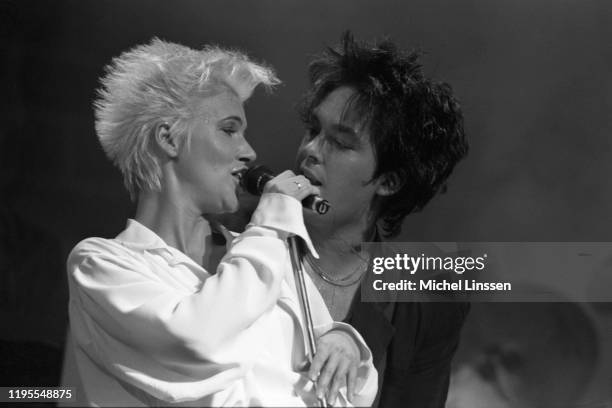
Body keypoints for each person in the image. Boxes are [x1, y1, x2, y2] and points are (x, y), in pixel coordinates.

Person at [63, 38, 377, 407]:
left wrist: (346, 344)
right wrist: (273, 223)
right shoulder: (101, 266)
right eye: (229, 130)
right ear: (169, 138)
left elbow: (355, 390)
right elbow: (198, 343)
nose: (249, 152)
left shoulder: (264, 255)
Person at [294, 33, 470, 407]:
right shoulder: (236, 242)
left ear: (390, 181)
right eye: (313, 130)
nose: (310, 150)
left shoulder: (424, 300)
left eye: (340, 143)